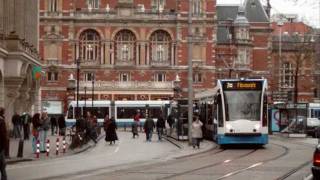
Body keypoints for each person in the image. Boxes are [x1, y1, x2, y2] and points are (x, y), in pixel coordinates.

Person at [0, 107, 8, 180]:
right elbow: (3, 134)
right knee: (2, 164)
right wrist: (4, 145)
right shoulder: (1, 121)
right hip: (0, 146)